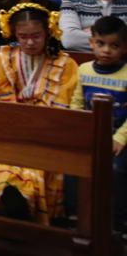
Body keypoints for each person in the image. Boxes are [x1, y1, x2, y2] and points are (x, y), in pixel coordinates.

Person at [0, 3, 79, 224]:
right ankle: (11, 200)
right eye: (23, 36)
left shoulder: (65, 64)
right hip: (12, 129)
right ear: (13, 34)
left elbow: (60, 104)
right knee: (5, 161)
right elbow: (4, 100)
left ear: (48, 32)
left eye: (36, 36)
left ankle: (26, 205)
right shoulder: (2, 59)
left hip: (48, 131)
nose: (30, 42)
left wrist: (37, 126)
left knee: (39, 163)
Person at [71, 16, 127, 234]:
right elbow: (76, 103)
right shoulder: (84, 69)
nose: (106, 51)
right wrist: (80, 131)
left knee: (117, 169)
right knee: (72, 165)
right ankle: (74, 214)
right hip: (88, 133)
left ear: (124, 47)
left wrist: (120, 138)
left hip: (117, 137)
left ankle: (119, 221)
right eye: (101, 44)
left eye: (114, 46)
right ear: (92, 42)